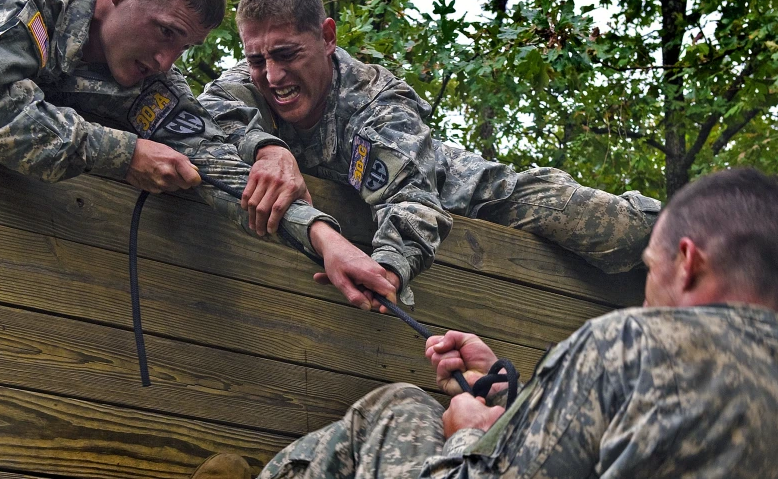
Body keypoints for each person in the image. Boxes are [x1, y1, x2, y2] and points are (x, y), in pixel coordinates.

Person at [191, 167, 778, 478]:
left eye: (649, 269)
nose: (648, 295)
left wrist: (468, 432)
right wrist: (512, 399)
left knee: (398, 408)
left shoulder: (628, 345)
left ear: (688, 261)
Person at [198, 0, 662, 307]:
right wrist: (268, 148)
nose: (272, 75)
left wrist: (390, 265)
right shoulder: (245, 84)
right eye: (257, 59)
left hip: (469, 195)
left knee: (606, 226)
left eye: (285, 54)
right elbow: (205, 114)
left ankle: (701, 233)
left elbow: (413, 199)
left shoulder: (378, 101)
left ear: (327, 37)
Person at [0, 0, 398, 300]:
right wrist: (125, 154)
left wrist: (326, 240)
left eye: (184, 47)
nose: (166, 60)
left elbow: (215, 163)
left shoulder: (153, 86)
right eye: (166, 31)